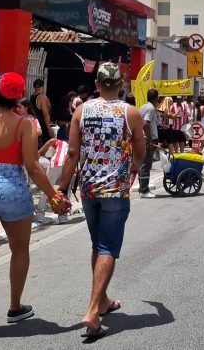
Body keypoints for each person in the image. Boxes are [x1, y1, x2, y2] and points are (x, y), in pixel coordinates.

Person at [0, 73, 69, 341]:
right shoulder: (24, 125)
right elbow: (32, 167)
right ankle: (15, 307)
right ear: (17, 96)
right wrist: (54, 196)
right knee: (20, 250)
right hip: (11, 188)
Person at [58, 62, 146, 339]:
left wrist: (61, 189)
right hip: (116, 190)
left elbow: (72, 153)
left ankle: (103, 300)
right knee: (108, 247)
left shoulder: (81, 111)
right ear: (121, 85)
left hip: (89, 189)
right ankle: (93, 311)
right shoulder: (129, 112)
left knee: (97, 244)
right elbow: (141, 151)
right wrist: (131, 171)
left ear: (97, 84)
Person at [36, 137, 71, 224]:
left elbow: (51, 141)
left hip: (55, 164)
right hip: (67, 167)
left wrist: (39, 152)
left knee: (46, 189)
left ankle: (40, 216)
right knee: (66, 191)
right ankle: (63, 217)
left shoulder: (59, 142)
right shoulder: (73, 145)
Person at [138, 89, 160, 198]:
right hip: (146, 140)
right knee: (146, 165)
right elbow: (145, 124)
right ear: (156, 98)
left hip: (141, 139)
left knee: (142, 165)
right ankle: (144, 190)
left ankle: (142, 188)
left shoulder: (143, 107)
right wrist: (150, 140)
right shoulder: (151, 108)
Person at [30, 79, 55, 147]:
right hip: (42, 126)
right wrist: (49, 129)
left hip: (34, 125)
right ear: (42, 87)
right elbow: (45, 114)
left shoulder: (31, 97)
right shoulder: (42, 98)